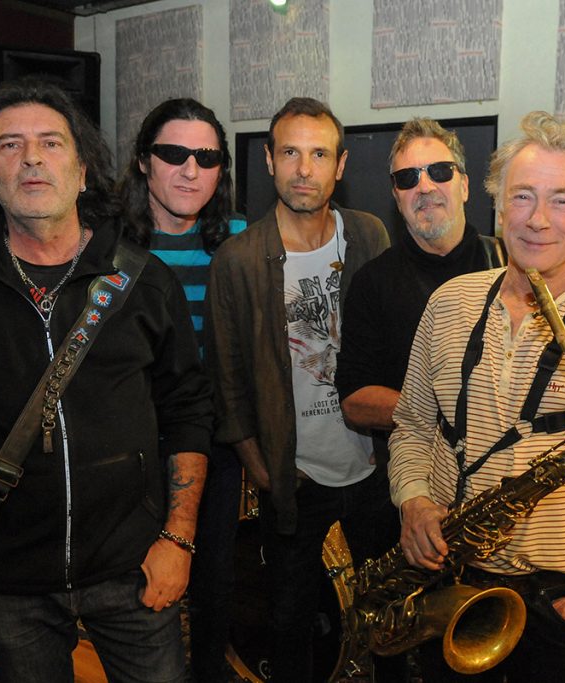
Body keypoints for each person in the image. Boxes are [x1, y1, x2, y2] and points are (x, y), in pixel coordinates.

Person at [0, 78, 212, 682]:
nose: (32, 158)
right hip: (6, 581)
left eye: (51, 142)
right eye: (10, 145)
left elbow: (188, 411)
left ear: (83, 171)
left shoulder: (145, 281)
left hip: (134, 568)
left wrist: (178, 539)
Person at [388, 111, 565, 682]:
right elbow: (412, 426)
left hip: (562, 607)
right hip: (451, 590)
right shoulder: (448, 302)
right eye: (522, 196)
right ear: (497, 206)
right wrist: (413, 499)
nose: (538, 219)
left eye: (562, 201)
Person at [206, 96, 395, 682]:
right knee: (290, 622)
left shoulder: (368, 235)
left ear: (341, 165)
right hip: (295, 475)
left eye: (319, 154)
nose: (304, 169)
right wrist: (263, 470)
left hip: (374, 467)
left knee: (391, 615)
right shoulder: (238, 260)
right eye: (290, 152)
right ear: (268, 160)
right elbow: (227, 382)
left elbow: (395, 345)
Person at [117, 97, 246, 683]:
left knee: (214, 581)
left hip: (213, 441)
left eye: (207, 157)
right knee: (131, 588)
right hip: (130, 441)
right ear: (144, 161)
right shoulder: (106, 243)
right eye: (173, 153)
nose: (190, 170)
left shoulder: (241, 241)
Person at [336, 116, 504, 464]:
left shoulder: (511, 266)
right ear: (397, 197)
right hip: (414, 474)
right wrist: (445, 412)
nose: (425, 187)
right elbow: (354, 400)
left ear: (465, 186)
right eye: (408, 178)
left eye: (440, 171)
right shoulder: (372, 282)